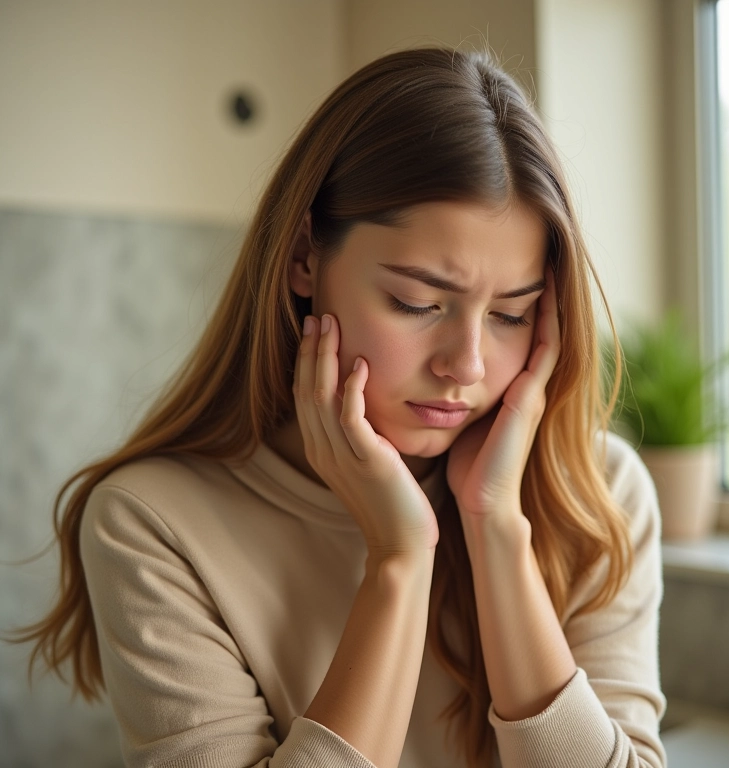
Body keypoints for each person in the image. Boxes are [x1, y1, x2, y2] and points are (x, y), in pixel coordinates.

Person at [8, 47, 667, 768]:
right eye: (418, 302)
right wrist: (397, 562)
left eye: (511, 314)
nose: (467, 366)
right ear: (303, 259)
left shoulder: (599, 493)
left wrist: (496, 529)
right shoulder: (153, 523)